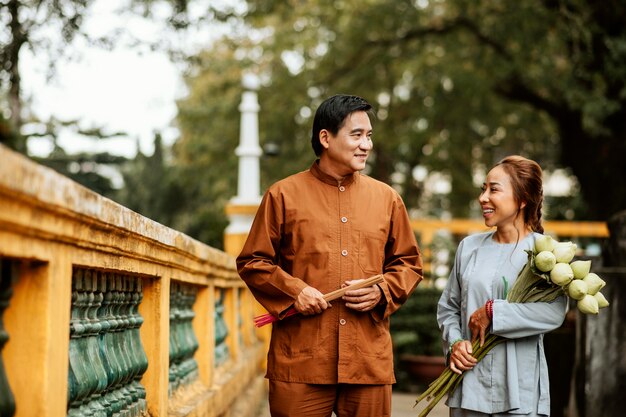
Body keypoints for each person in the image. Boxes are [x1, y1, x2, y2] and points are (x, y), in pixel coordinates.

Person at [237, 94, 423, 417]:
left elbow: (408, 264)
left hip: (368, 361)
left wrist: (382, 291)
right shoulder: (282, 195)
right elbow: (253, 261)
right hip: (301, 361)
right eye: (357, 135)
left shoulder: (388, 199)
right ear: (325, 137)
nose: (366, 145)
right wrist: (296, 291)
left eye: (369, 136)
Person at [437, 155, 568, 417]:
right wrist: (456, 343)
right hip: (469, 385)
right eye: (483, 189)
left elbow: (553, 313)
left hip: (519, 391)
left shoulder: (545, 254)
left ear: (522, 199)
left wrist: (493, 312)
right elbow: (448, 307)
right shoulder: (469, 248)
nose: (483, 197)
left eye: (493, 189)